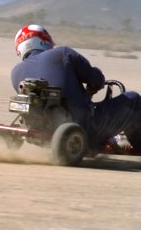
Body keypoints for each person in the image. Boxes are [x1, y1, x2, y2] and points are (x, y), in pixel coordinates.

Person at [11, 24, 140, 153]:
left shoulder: (15, 73)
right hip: (85, 130)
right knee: (134, 99)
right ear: (44, 41)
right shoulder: (62, 53)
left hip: (46, 133)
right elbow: (97, 80)